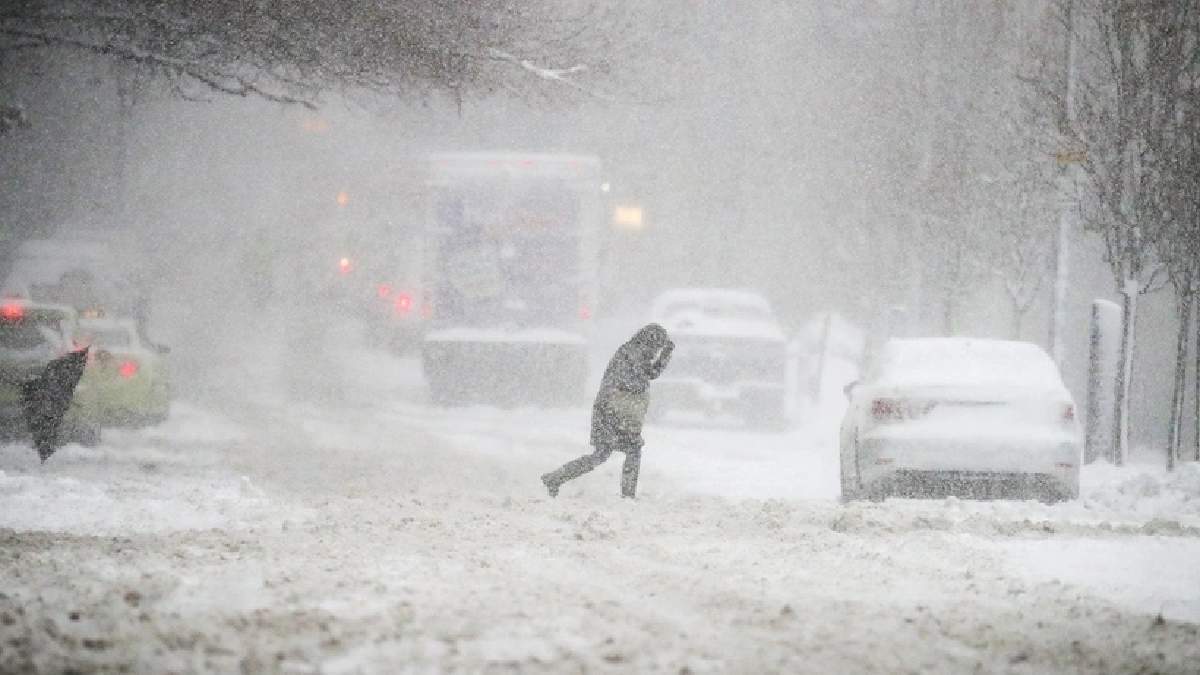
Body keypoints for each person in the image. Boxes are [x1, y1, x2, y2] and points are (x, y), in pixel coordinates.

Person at [541, 323, 674, 499]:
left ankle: (555, 478)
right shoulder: (631, 354)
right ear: (650, 342)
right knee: (617, 452)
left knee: (610, 453)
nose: (656, 351)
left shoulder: (633, 352)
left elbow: (649, 374)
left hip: (617, 412)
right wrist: (664, 356)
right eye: (657, 347)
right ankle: (626, 495)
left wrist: (665, 355)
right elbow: (643, 377)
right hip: (611, 412)